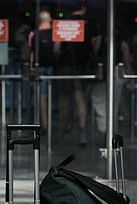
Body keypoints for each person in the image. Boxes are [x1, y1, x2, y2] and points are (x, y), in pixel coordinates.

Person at [56, 1, 91, 145]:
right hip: (81, 66)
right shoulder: (88, 24)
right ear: (82, 8)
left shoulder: (62, 24)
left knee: (65, 98)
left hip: (65, 66)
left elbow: (56, 48)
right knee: (79, 97)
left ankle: (65, 128)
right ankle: (82, 130)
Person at [28, 9, 59, 134]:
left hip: (39, 67)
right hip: (52, 67)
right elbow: (57, 50)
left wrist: (31, 67)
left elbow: (31, 53)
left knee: (42, 97)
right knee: (56, 94)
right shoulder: (55, 33)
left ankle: (45, 123)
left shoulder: (34, 34)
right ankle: (54, 121)